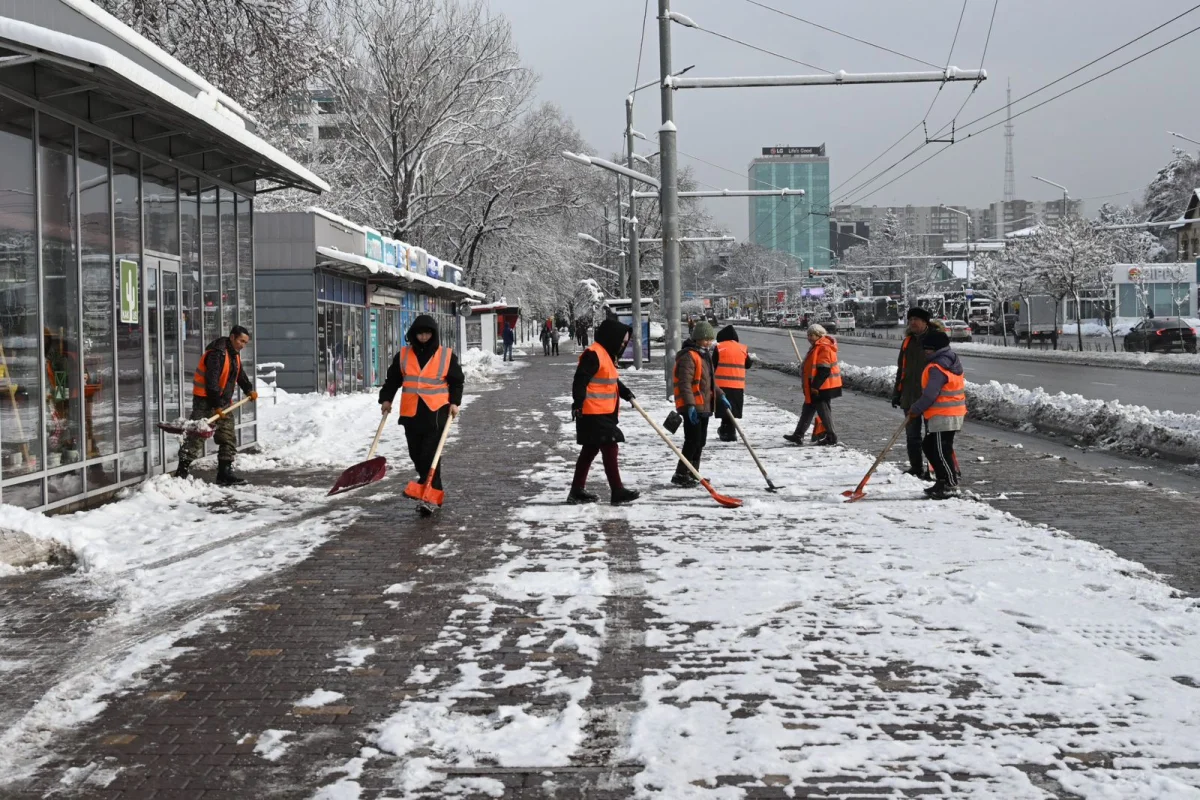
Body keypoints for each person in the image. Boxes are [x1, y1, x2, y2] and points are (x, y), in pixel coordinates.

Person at [379, 315, 464, 509]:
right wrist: (386, 399)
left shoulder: (446, 355)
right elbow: (392, 380)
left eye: (427, 333)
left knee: (429, 454)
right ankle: (430, 490)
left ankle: (429, 496)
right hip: (411, 413)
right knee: (416, 454)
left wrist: (455, 402)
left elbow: (456, 381)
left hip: (436, 412)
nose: (423, 337)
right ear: (413, 334)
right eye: (419, 333)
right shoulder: (403, 355)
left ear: (433, 334)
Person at [568, 318, 640, 506]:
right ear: (612, 338)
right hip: (592, 412)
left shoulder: (605, 356)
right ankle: (617, 491)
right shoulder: (594, 354)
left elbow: (612, 381)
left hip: (602, 412)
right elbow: (580, 380)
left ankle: (576, 491)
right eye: (622, 342)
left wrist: (626, 393)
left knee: (590, 450)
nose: (623, 346)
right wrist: (577, 403)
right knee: (611, 445)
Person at [176, 325, 257, 485]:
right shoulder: (217, 354)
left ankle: (224, 473)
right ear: (232, 337)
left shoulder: (234, 355)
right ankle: (182, 471)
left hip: (223, 402)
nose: (243, 345)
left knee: (227, 436)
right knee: (197, 436)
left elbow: (239, 374)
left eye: (245, 343)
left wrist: (248, 389)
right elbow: (211, 382)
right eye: (241, 341)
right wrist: (216, 405)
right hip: (205, 401)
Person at [907, 329, 966, 500]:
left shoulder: (938, 367)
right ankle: (942, 480)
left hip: (944, 414)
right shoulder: (947, 362)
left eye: (927, 348)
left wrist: (916, 408)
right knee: (929, 446)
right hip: (946, 414)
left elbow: (930, 394)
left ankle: (949, 484)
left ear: (935, 348)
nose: (925, 351)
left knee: (941, 450)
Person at [672, 320, 729, 487]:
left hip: (704, 406)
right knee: (692, 440)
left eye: (710, 339)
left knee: (700, 441)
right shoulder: (689, 356)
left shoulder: (704, 355)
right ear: (697, 338)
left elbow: (709, 382)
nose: (708, 342)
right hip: (693, 406)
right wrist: (690, 405)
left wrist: (721, 395)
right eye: (705, 339)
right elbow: (685, 383)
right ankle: (681, 474)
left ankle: (693, 471)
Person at [891, 308, 942, 480]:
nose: (912, 322)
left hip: (929, 396)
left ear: (925, 322)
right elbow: (902, 369)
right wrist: (897, 392)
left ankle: (933, 470)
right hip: (909, 395)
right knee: (912, 436)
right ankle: (916, 467)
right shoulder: (908, 342)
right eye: (910, 319)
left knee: (931, 436)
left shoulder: (935, 340)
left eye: (916, 319)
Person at [783, 324, 841, 446]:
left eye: (812, 335)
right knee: (807, 410)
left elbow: (824, 370)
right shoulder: (816, 346)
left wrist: (815, 386)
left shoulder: (824, 348)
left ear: (819, 335)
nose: (809, 337)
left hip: (821, 387)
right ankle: (798, 435)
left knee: (824, 413)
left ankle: (831, 437)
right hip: (814, 386)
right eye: (808, 335)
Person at [713, 325, 751, 442]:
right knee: (733, 410)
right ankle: (730, 431)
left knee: (724, 409)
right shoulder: (743, 348)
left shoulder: (719, 348)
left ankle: (726, 432)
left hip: (722, 385)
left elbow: (712, 365)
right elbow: (748, 364)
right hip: (737, 385)